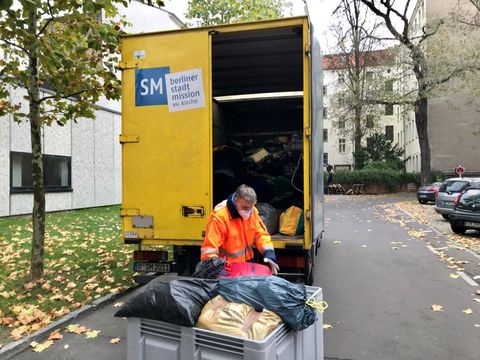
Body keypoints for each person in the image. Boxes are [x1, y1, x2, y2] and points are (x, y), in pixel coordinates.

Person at [200, 184, 280, 275]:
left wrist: (269, 253)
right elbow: (209, 249)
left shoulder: (252, 212)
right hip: (227, 269)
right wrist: (217, 270)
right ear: (236, 200)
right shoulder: (220, 218)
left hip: (245, 266)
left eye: (251, 207)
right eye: (245, 207)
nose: (248, 211)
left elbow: (260, 235)